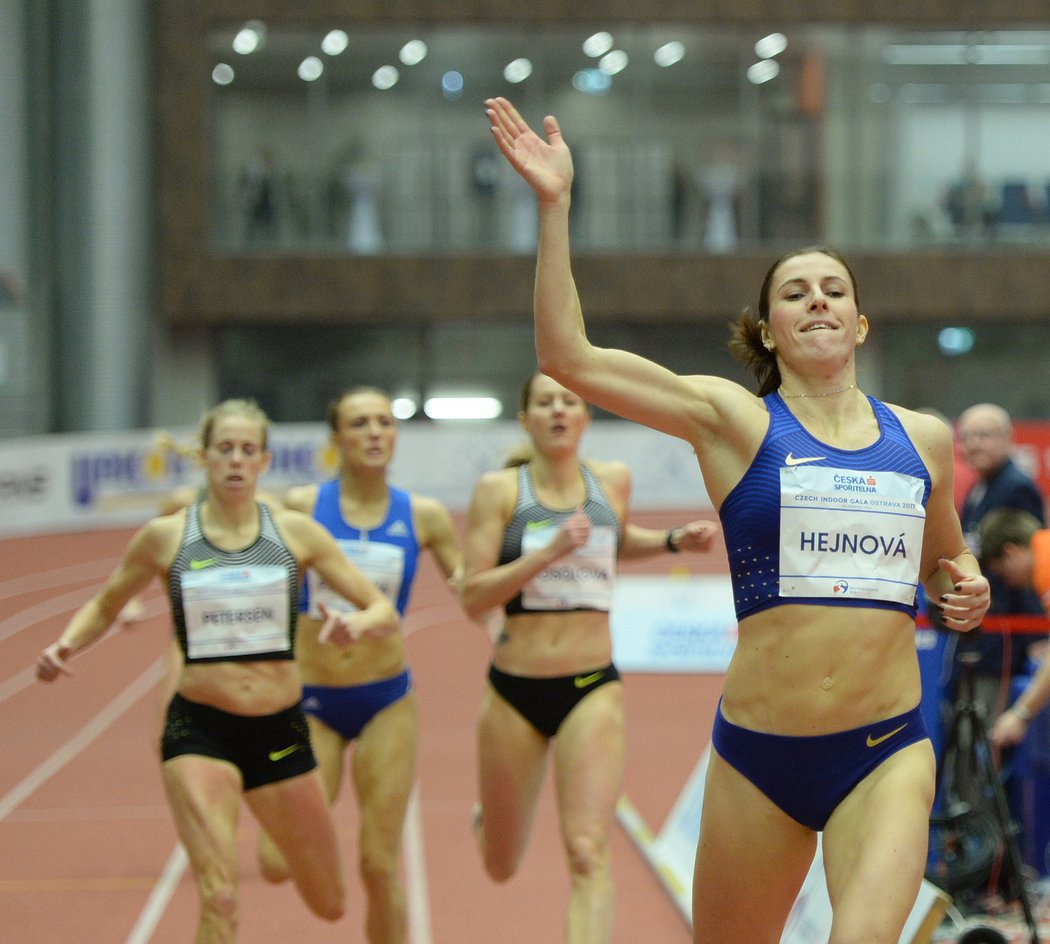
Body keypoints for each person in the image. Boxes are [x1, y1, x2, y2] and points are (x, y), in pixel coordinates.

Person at [484, 96, 990, 943]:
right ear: (771, 327)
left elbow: (948, 563)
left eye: (835, 291)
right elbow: (566, 357)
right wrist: (554, 204)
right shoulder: (735, 422)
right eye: (796, 293)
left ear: (860, 322)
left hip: (890, 748)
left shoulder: (924, 440)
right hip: (762, 756)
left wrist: (962, 582)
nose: (818, 302)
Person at [36, 398, 400, 944]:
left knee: (330, 902)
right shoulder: (166, 537)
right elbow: (106, 604)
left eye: (247, 450)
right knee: (221, 895)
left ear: (265, 462)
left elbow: (382, 608)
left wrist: (357, 623)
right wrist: (67, 644)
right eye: (224, 449)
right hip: (199, 729)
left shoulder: (296, 534)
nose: (235, 460)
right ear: (204, 457)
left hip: (279, 730)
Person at [459, 371, 719, 944]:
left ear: (585, 417)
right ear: (526, 420)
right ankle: (489, 820)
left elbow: (613, 540)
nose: (557, 411)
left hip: (592, 685)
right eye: (544, 403)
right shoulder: (500, 493)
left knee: (586, 851)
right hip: (514, 689)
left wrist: (673, 540)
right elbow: (472, 595)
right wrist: (545, 553)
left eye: (569, 402)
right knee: (499, 864)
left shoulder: (612, 482)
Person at [256, 386, 463, 944]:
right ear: (337, 440)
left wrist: (533, 569)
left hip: (386, 700)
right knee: (275, 861)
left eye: (383, 422)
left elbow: (473, 591)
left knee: (378, 863)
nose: (374, 432)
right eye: (359, 424)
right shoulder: (301, 507)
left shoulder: (423, 516)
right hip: (313, 701)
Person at [954, 403, 1046, 722]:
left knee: (990, 738)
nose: (974, 444)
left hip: (1004, 641)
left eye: (983, 435)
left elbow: (1030, 561)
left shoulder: (1016, 487)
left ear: (1008, 438)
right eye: (967, 437)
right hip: (977, 635)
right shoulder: (978, 488)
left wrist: (1037, 635)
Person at [979, 509, 1050, 748]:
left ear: (1011, 552)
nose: (1007, 582)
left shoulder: (1045, 567)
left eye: (1002, 572)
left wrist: (1020, 714)